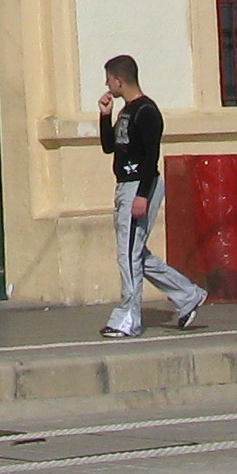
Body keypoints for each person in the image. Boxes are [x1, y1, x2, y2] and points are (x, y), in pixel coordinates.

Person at [96, 54, 204, 336]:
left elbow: (150, 156)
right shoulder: (125, 111)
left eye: (108, 79)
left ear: (119, 80)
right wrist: (104, 115)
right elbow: (110, 147)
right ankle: (187, 294)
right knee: (136, 253)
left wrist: (142, 196)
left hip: (139, 185)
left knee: (127, 255)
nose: (106, 85)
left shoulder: (147, 112)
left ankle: (127, 318)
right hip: (125, 185)